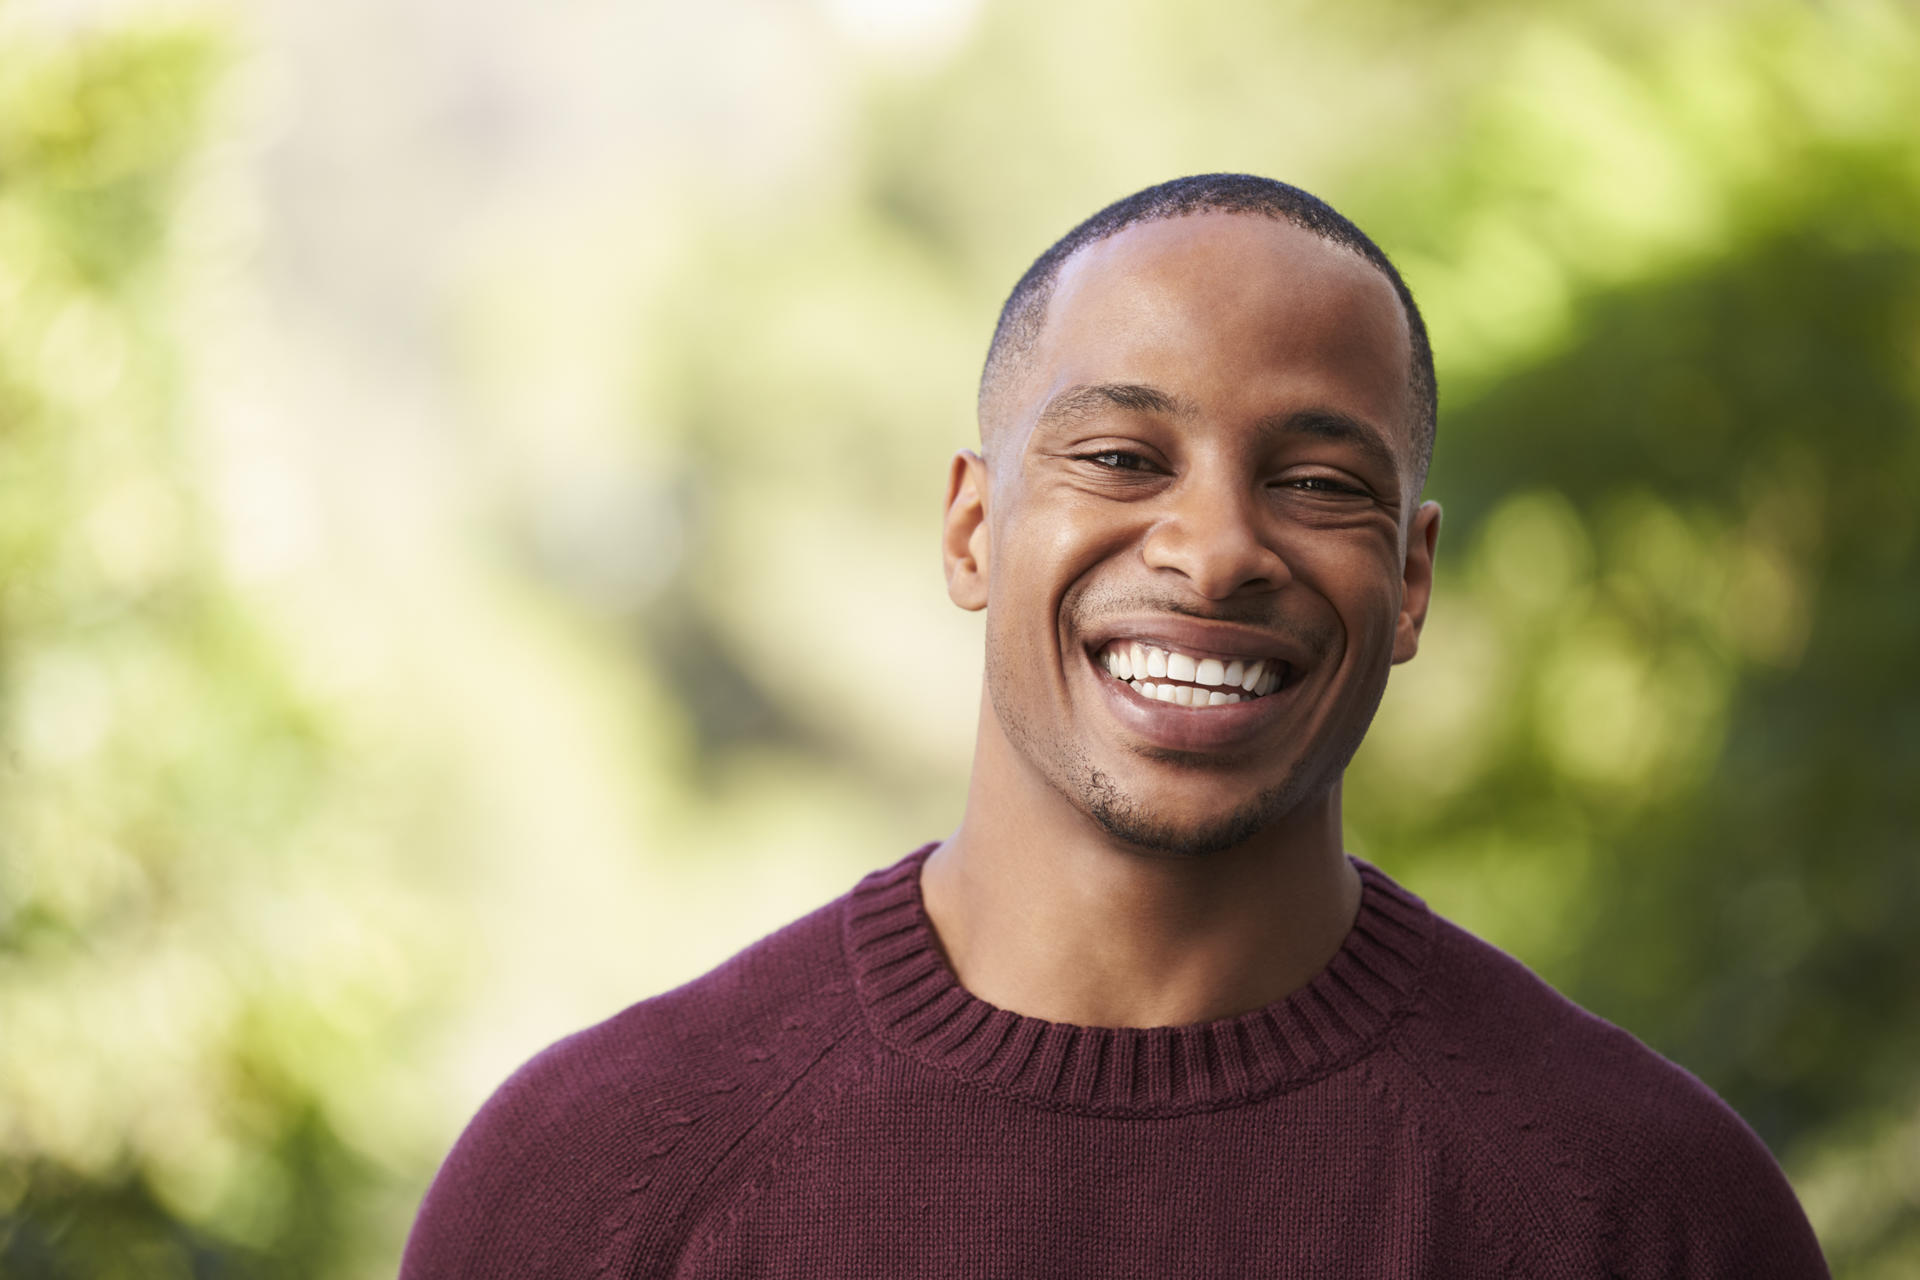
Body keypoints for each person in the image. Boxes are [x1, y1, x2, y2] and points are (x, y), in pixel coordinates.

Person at [400, 174, 1830, 1278]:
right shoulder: (595, 1181)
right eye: (1120, 457)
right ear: (973, 526)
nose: (1213, 551)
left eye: (1321, 481)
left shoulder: (1648, 1215)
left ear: (1409, 580)